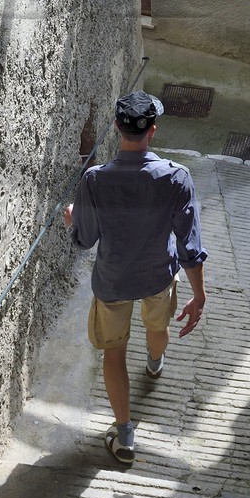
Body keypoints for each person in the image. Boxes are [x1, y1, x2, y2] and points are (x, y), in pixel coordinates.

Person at [64, 90, 207, 465]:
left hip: (113, 281)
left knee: (114, 352)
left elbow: (85, 240)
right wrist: (199, 295)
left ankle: (125, 437)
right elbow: (189, 245)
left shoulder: (95, 180)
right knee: (157, 326)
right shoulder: (177, 178)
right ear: (153, 130)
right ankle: (155, 364)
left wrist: (73, 220)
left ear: (116, 127)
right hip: (158, 276)